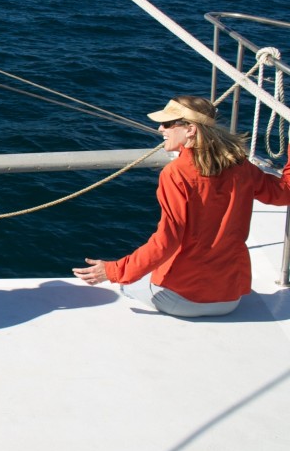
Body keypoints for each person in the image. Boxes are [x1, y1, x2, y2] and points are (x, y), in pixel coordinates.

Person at [73, 95, 290, 317]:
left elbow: (166, 242)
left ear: (191, 130)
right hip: (230, 297)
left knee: (127, 285)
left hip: (184, 299)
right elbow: (284, 193)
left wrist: (113, 270)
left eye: (168, 123)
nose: (160, 128)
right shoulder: (240, 166)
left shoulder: (176, 173)